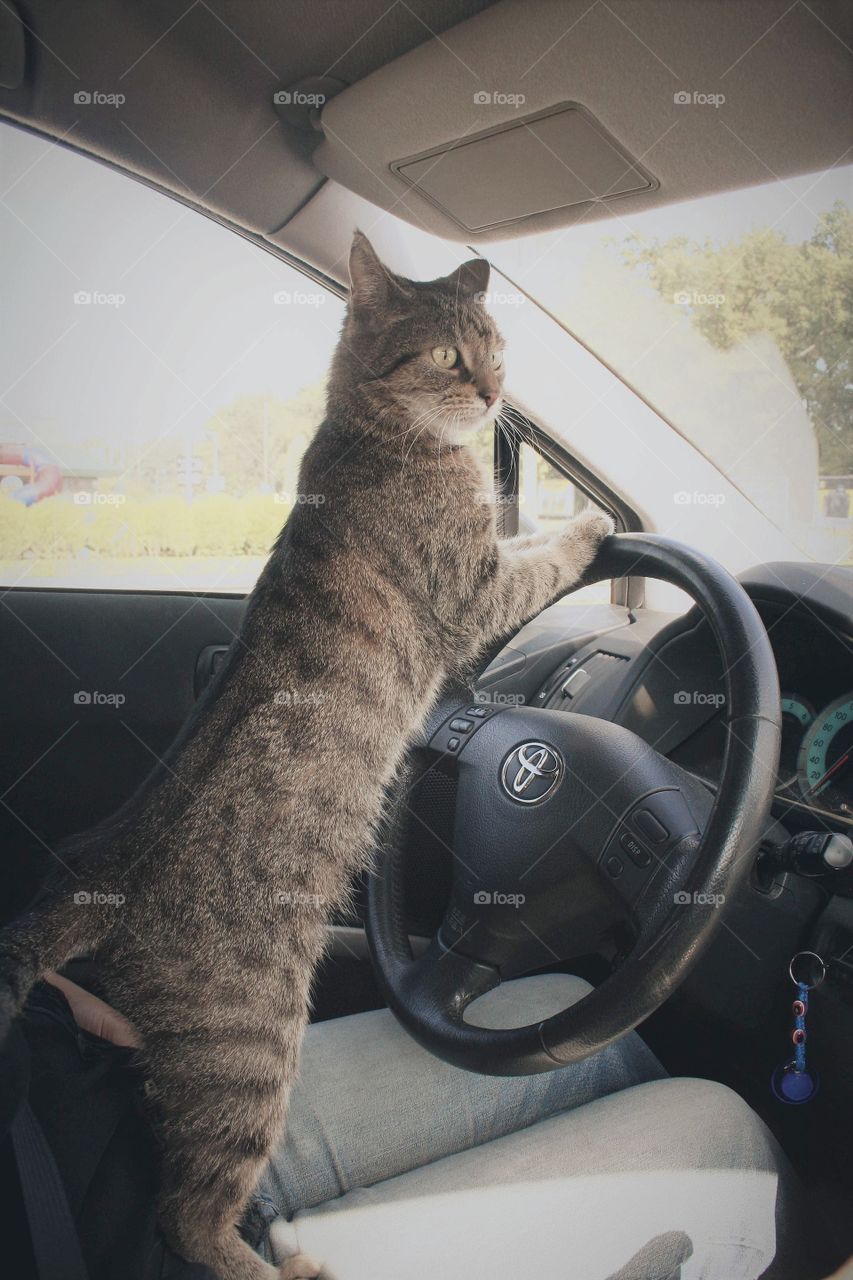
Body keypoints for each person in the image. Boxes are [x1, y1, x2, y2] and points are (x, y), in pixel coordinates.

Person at [27, 967, 810, 1280]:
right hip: (160, 1261)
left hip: (132, 1117)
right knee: (718, 1140)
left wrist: (60, 1003)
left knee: (570, 1020)